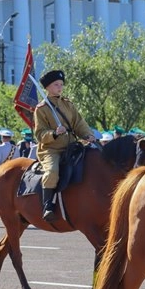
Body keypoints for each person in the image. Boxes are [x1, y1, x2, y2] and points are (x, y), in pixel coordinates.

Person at [33, 69, 95, 221]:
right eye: (56, 85)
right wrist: (54, 133)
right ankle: (48, 206)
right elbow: (40, 134)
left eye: (61, 84)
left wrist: (88, 135)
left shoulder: (68, 105)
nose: (60, 87)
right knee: (52, 171)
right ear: (47, 87)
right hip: (51, 149)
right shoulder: (41, 109)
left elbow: (79, 123)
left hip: (71, 146)